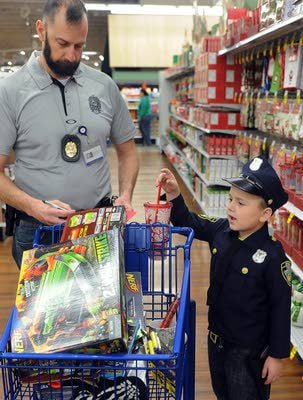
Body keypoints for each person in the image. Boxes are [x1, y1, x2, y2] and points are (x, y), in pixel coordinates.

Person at [0, 0, 139, 268]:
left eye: (79, 46)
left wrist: (125, 195)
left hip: (98, 226)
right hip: (39, 230)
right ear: (41, 30)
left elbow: (128, 150)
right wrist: (32, 206)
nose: (72, 56)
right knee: (44, 310)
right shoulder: (11, 92)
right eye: (62, 44)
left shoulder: (104, 86)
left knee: (99, 309)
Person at [157, 156, 291, 400]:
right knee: (222, 392)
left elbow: (281, 307)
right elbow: (190, 221)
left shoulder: (273, 257)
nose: (230, 207)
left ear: (265, 214)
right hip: (216, 339)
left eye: (240, 203)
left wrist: (277, 355)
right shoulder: (221, 230)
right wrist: (175, 195)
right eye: (230, 199)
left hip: (248, 351)